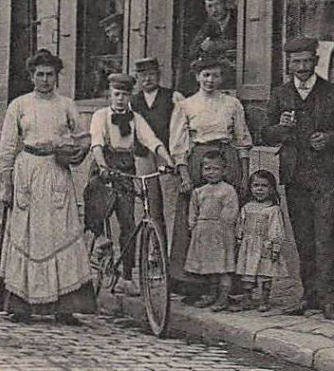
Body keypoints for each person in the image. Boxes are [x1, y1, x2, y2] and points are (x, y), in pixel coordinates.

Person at [0, 49, 95, 325]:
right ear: (31, 76)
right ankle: (20, 305)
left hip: (56, 172)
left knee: (61, 234)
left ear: (56, 77)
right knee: (26, 234)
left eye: (49, 75)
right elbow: (6, 146)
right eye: (39, 74)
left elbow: (84, 137)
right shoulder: (19, 105)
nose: (44, 80)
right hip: (27, 170)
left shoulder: (66, 105)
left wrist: (72, 151)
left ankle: (66, 306)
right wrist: (7, 185)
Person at [258, 36, 334, 316]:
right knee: (303, 237)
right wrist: (281, 128)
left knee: (325, 236)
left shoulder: (332, 92)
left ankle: (329, 298)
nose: (303, 66)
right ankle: (309, 295)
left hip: (323, 174)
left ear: (316, 61)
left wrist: (329, 138)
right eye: (297, 62)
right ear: (289, 63)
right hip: (294, 174)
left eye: (308, 61)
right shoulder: (280, 94)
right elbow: (265, 134)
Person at [170, 54, 253, 296]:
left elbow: (242, 139)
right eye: (206, 75)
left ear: (221, 78)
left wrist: (244, 173)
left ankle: (229, 284)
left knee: (226, 221)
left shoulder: (232, 104)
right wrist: (184, 174)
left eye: (215, 75)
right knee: (198, 220)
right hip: (199, 161)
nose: (210, 80)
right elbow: (179, 144)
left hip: (228, 160)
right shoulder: (186, 105)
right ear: (197, 77)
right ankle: (193, 283)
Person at [89, 72, 176, 293]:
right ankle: (99, 240)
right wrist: (102, 166)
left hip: (126, 167)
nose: (120, 99)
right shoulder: (100, 115)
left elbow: (152, 141)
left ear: (130, 97)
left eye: (125, 95)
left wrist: (169, 161)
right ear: (110, 94)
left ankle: (127, 277)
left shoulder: (136, 118)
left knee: (128, 223)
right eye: (117, 94)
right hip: (105, 165)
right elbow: (97, 143)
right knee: (97, 204)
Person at [131, 55, 184, 242]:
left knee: (170, 203)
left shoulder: (173, 97)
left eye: (151, 74)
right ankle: (154, 250)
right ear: (137, 78)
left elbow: (182, 127)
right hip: (143, 156)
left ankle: (170, 252)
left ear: (159, 75)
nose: (147, 79)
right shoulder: (132, 101)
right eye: (143, 75)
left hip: (167, 154)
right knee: (149, 203)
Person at [184, 150, 239, 310]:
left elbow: (231, 211)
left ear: (224, 170)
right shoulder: (199, 191)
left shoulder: (227, 190)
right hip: (203, 233)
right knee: (209, 267)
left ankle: (223, 297)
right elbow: (193, 211)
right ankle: (211, 294)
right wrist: (193, 225)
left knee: (222, 267)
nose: (211, 172)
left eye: (215, 169)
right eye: (207, 169)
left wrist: (222, 226)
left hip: (220, 233)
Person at [237, 170, 292, 312]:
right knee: (248, 273)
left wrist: (275, 247)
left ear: (272, 189)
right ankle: (247, 298)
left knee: (265, 274)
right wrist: (238, 239)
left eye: (264, 186)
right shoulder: (247, 207)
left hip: (264, 246)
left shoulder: (273, 209)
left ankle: (264, 299)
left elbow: (276, 229)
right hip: (249, 246)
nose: (259, 189)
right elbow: (240, 225)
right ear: (250, 188)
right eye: (256, 185)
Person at [184, 0, 238, 88]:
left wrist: (217, 45)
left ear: (226, 4)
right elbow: (193, 49)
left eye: (217, 5)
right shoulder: (209, 24)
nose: (214, 10)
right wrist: (202, 46)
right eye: (209, 6)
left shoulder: (238, 20)